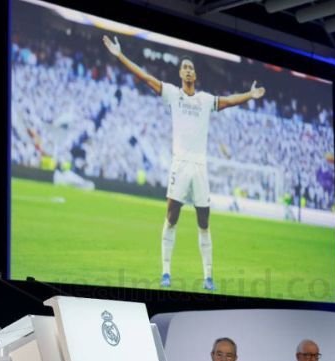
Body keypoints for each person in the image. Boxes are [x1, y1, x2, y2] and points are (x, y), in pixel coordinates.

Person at [103, 35, 266, 291]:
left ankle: (208, 277)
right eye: (185, 68)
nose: (188, 71)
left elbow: (229, 101)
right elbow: (145, 77)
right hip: (180, 165)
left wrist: (250, 95)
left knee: (204, 222)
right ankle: (166, 272)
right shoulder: (172, 94)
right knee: (171, 217)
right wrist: (120, 56)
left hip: (200, 167)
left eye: (191, 68)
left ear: (195, 75)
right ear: (180, 74)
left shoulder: (204, 101)